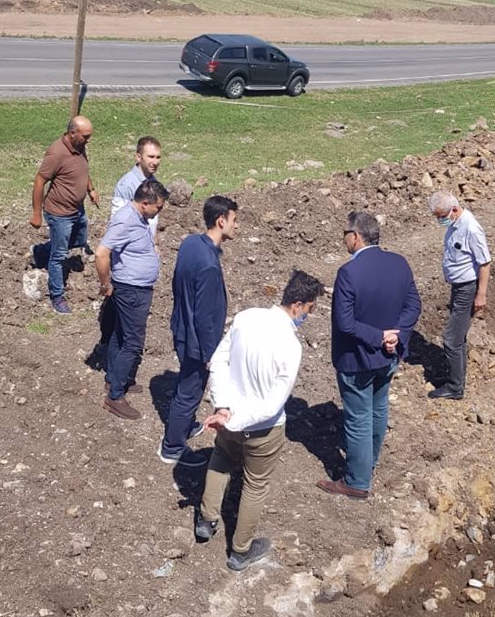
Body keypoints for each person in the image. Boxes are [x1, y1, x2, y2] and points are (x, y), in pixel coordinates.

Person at [196, 270, 323, 571]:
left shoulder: (246, 318)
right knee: (255, 485)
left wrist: (223, 409)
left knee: (221, 458)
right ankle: (240, 551)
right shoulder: (290, 346)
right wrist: (234, 419)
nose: (309, 315)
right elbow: (273, 404)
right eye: (310, 308)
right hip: (263, 430)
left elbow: (219, 361)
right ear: (298, 305)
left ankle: (207, 519)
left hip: (230, 416)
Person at [319, 211, 421, 501]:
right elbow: (414, 305)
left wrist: (379, 336)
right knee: (378, 407)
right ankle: (369, 461)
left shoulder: (349, 273)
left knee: (358, 417)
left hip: (358, 358)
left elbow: (345, 323)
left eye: (345, 234)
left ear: (356, 236)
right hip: (389, 355)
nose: (344, 240)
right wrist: (395, 335)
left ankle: (357, 480)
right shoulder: (399, 263)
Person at [162, 195, 239, 465]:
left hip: (181, 326)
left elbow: (177, 285)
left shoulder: (190, 243)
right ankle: (172, 447)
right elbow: (205, 317)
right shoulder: (208, 265)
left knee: (187, 385)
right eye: (234, 220)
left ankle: (183, 427)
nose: (236, 226)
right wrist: (210, 354)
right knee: (190, 392)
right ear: (221, 221)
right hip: (196, 342)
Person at [95, 179, 168, 421]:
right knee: (133, 343)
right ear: (145, 203)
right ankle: (115, 396)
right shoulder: (126, 219)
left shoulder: (139, 218)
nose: (159, 211)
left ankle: (114, 379)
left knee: (120, 335)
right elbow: (101, 253)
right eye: (158, 207)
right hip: (131, 290)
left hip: (136, 289)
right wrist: (105, 284)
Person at [100, 136, 164, 350]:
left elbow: (152, 221)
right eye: (150, 157)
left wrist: (154, 244)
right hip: (127, 258)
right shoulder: (127, 185)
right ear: (138, 157)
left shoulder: (153, 183)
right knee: (122, 312)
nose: (155, 162)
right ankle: (111, 347)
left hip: (143, 249)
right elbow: (117, 225)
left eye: (158, 157)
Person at [30, 116, 98, 314]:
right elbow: (39, 181)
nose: (89, 140)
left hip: (77, 209)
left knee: (80, 240)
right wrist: (36, 214)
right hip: (60, 213)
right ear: (72, 133)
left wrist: (91, 189)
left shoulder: (79, 146)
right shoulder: (56, 154)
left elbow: (82, 169)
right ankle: (57, 296)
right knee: (59, 256)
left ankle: (41, 251)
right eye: (86, 136)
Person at [427, 190, 491, 401]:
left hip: (467, 289)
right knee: (458, 337)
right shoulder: (455, 224)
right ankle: (455, 378)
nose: (439, 220)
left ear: (454, 209)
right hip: (458, 287)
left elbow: (484, 263)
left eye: (441, 216)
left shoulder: (470, 228)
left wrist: (481, 294)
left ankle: (455, 387)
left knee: (451, 338)